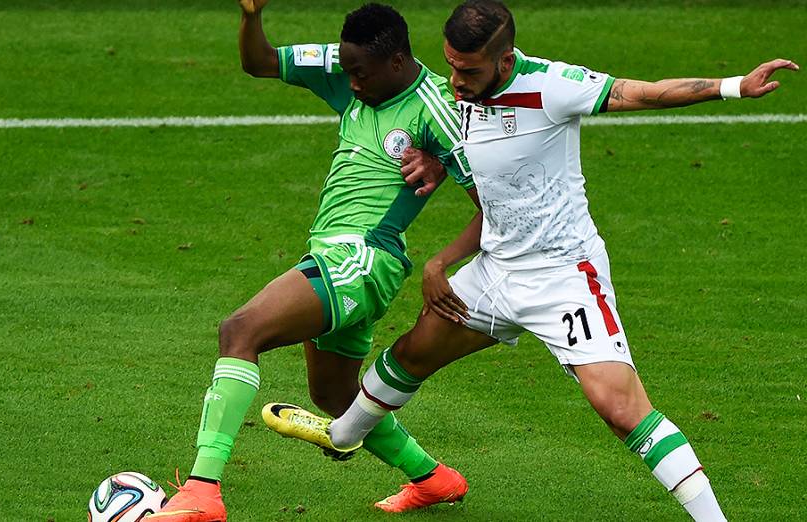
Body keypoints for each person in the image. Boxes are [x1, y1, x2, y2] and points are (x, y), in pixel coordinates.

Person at [265, 1, 800, 521]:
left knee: (620, 409)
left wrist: (733, 86)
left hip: (564, 276)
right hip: (495, 272)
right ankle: (340, 436)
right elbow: (484, 183)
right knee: (407, 357)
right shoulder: (461, 95)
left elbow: (644, 93)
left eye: (467, 71)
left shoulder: (552, 86)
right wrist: (439, 241)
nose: (454, 81)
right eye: (450, 65)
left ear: (503, 60)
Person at [146, 1, 483, 520]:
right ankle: (434, 479)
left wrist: (440, 261)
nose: (349, 85)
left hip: (364, 257)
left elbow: (497, 204)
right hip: (334, 255)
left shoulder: (437, 108)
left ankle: (202, 492)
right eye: (345, 71)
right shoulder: (350, 67)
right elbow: (260, 62)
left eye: (359, 74)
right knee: (333, 393)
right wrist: (251, 17)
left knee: (240, 330)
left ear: (395, 62)